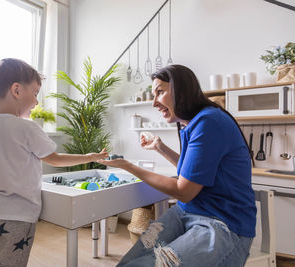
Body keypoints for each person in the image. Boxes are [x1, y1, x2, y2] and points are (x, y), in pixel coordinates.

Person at [99, 64, 256, 267]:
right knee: (129, 263)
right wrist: (160, 147)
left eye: (160, 92)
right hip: (185, 213)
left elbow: (184, 191)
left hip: (221, 224)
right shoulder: (192, 124)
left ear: (181, 90)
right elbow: (192, 174)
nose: (154, 102)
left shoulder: (208, 122)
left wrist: (127, 166)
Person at [0, 58, 108, 267]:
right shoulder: (27, 128)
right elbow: (54, 159)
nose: (37, 102)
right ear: (17, 90)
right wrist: (90, 157)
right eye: (36, 93)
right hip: (17, 217)